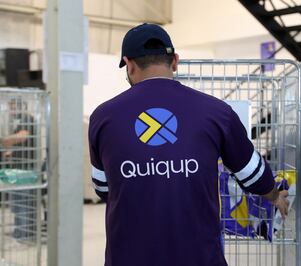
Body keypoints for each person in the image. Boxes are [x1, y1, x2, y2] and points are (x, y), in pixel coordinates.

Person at [88, 23, 289, 266]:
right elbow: (253, 174)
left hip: (128, 256)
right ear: (175, 61)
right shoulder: (216, 112)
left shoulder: (103, 117)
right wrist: (274, 195)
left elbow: (103, 188)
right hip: (199, 257)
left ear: (129, 64)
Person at [1, 97, 37, 240]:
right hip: (19, 168)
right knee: (18, 203)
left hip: (25, 168)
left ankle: (24, 234)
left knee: (23, 203)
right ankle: (20, 232)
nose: (11, 110)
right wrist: (10, 150)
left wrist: (4, 139)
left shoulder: (27, 119)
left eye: (13, 107)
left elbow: (22, 137)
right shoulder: (20, 121)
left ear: (21, 107)